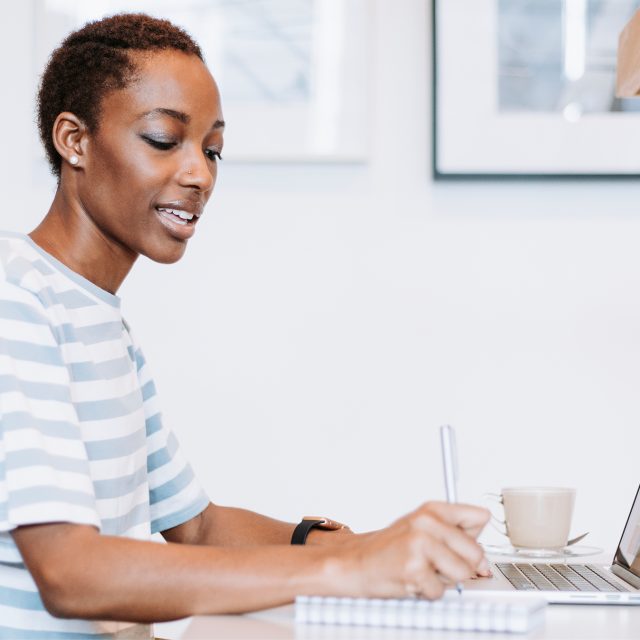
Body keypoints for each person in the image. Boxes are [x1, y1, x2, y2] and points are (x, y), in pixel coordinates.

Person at [0, 13, 490, 638]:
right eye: (163, 139)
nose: (200, 174)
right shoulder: (15, 298)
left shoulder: (98, 318)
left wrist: (376, 545)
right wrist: (350, 570)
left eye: (212, 151)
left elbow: (198, 526)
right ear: (75, 141)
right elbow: (72, 574)